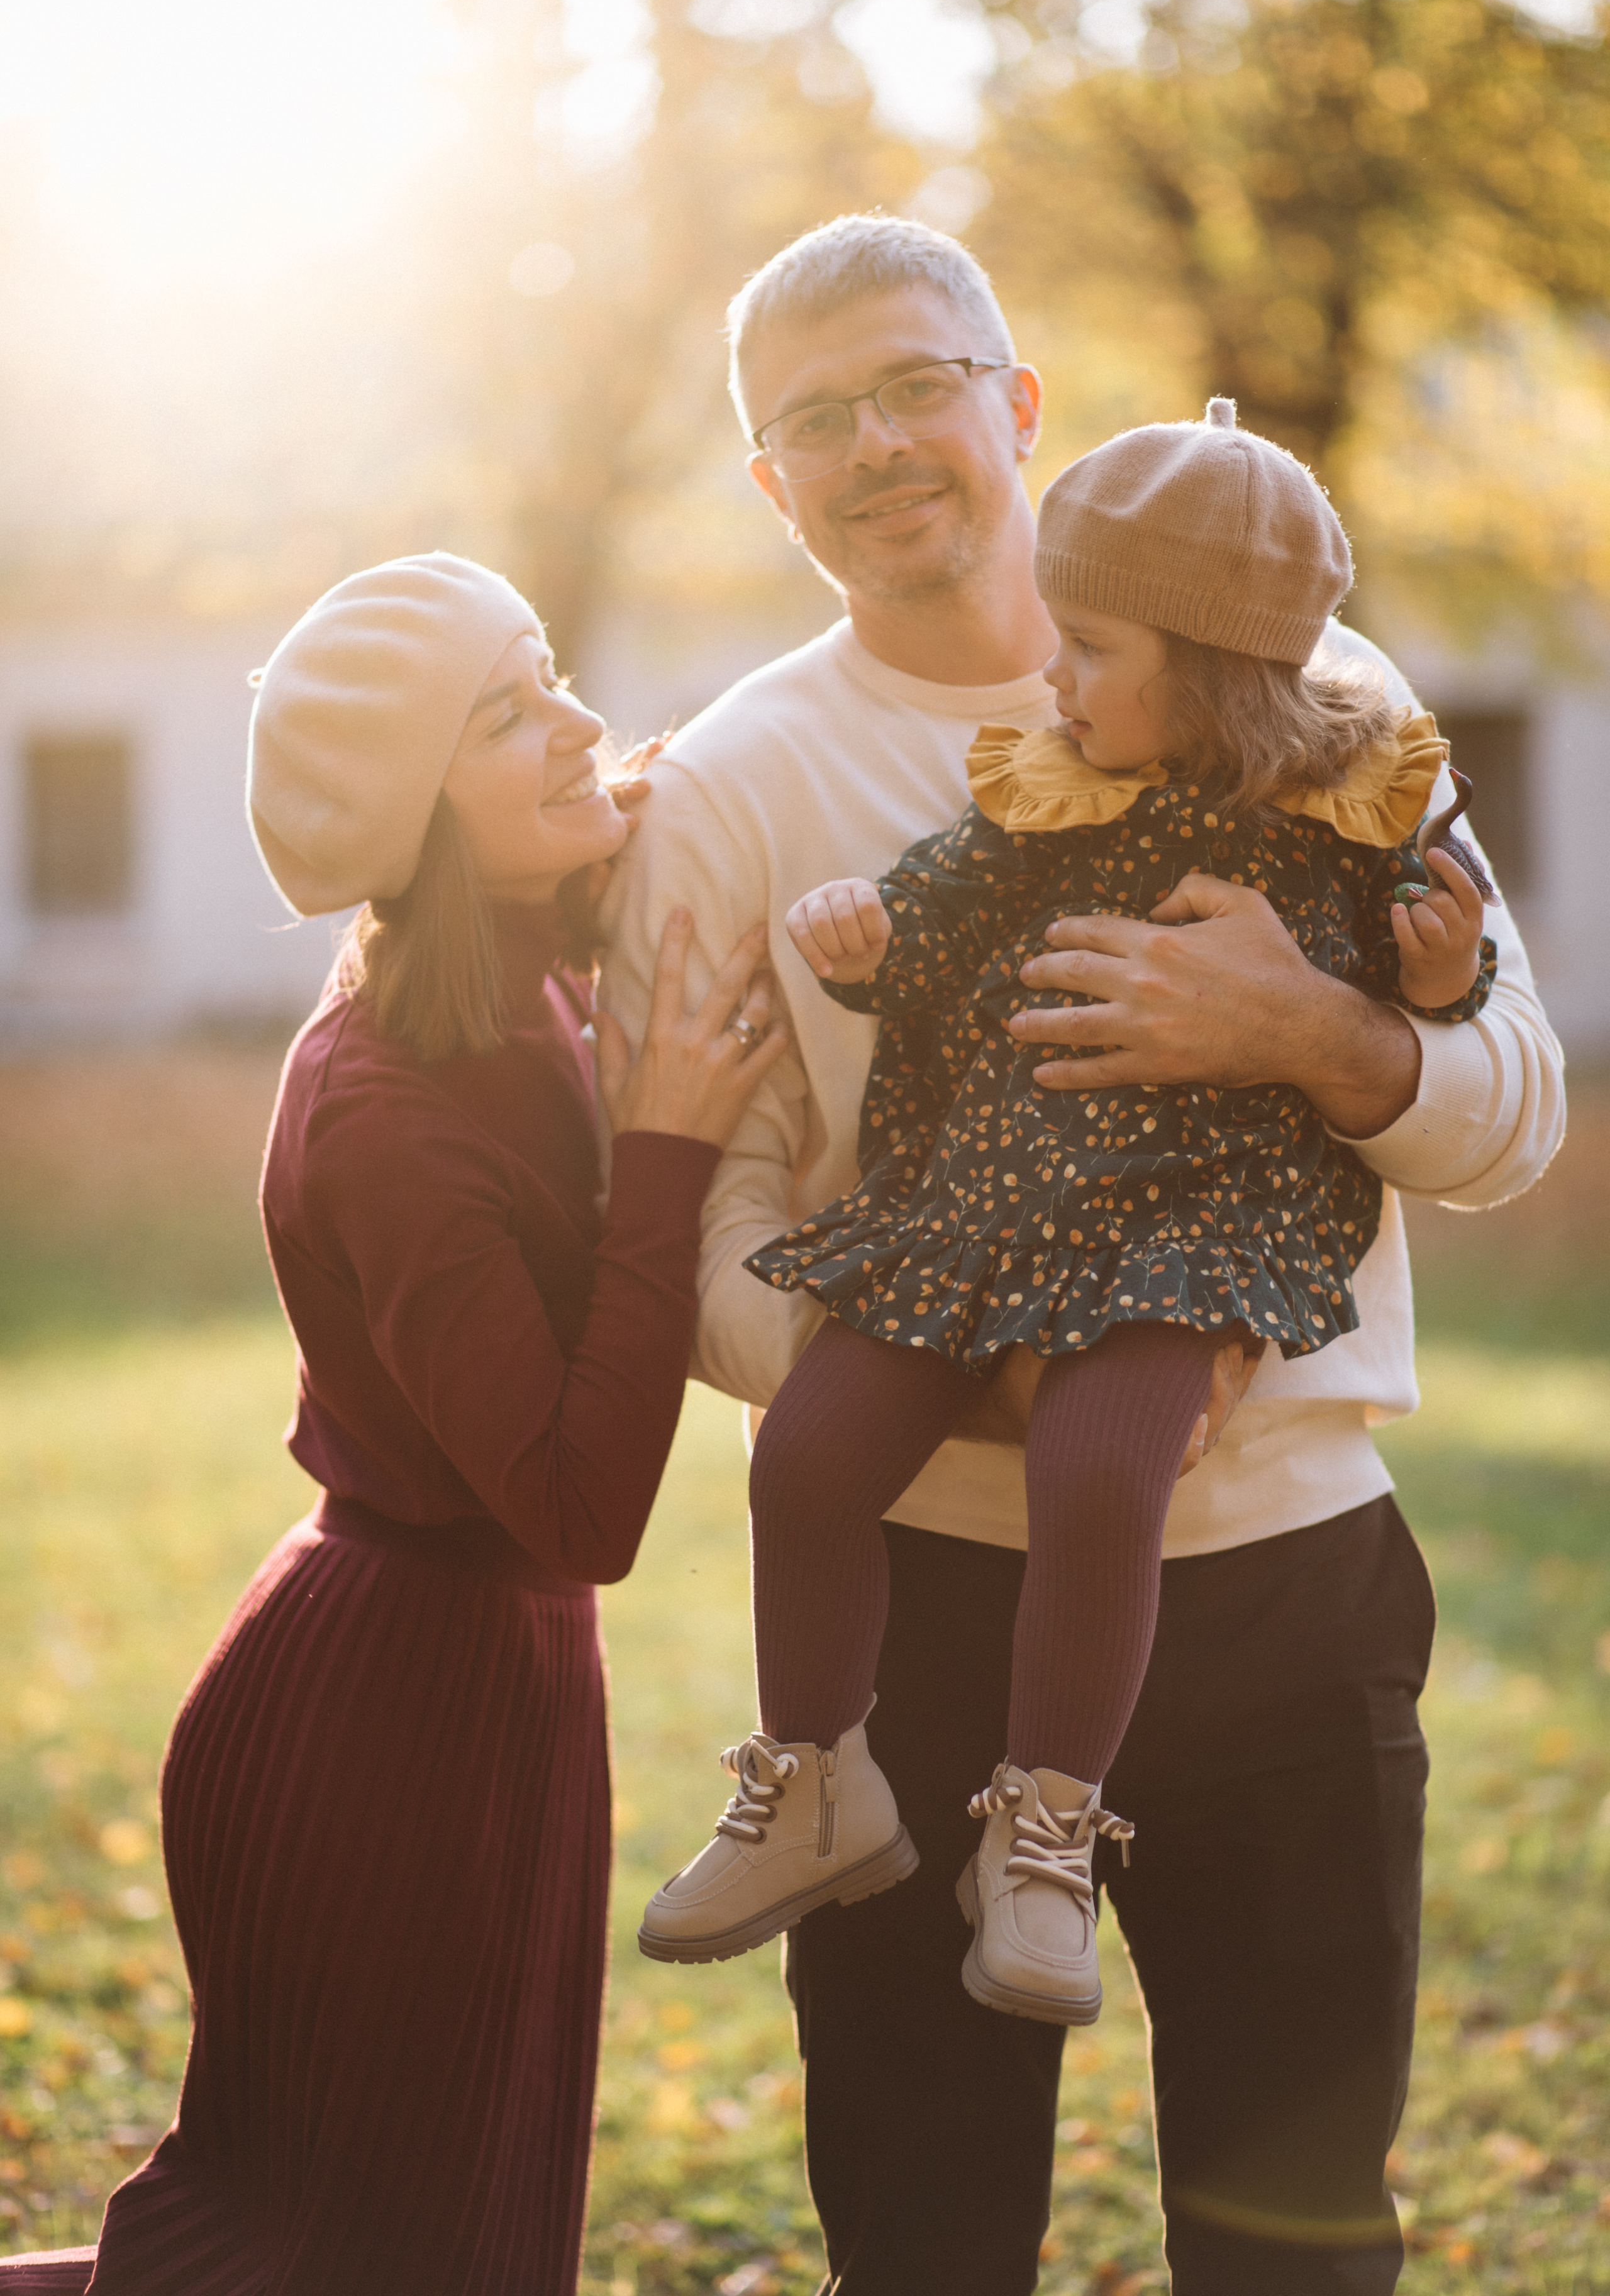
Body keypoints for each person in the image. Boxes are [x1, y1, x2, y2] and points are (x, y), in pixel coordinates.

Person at [599, 218, 1565, 2295]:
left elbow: (1520, 1107)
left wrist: (1322, 1038)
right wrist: (968, 1356)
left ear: (1017, 401)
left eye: (917, 382)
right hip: (926, 1613)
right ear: (773, 487)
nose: (878, 444)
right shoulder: (739, 789)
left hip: (1298, 1589)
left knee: (1296, 2243)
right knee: (926, 2242)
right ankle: (819, 1790)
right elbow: (701, 1230)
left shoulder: (1329, 699)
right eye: (814, 418)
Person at [638, 399, 1497, 2033]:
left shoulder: (1352, 798)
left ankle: (1043, 1831)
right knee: (807, 1454)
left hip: (1186, 1226)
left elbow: (1454, 991)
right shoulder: (1046, 782)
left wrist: (1433, 980)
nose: (1054, 672)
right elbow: (943, 896)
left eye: (1090, 645)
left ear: (1206, 662)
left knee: (1101, 1471)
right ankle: (817, 1778)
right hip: (984, 1200)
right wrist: (867, 931)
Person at [0, 553, 784, 2296]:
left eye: (553, 670)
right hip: (383, 1726)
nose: (579, 721)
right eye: (508, 713)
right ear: (412, 813)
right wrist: (663, 1150)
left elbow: (727, 780)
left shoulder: (533, 964)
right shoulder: (388, 1106)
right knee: (310, 2261)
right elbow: (585, 1511)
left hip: (501, 1697)